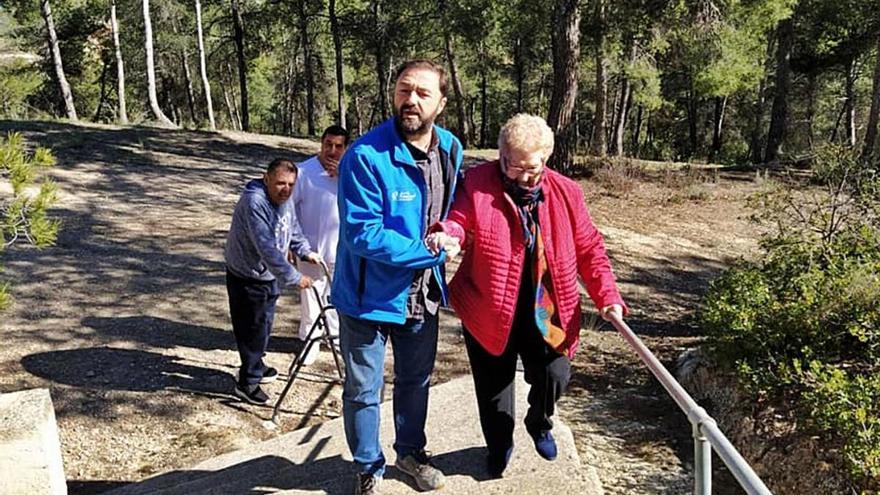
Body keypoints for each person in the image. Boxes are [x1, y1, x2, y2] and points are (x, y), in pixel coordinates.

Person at [426, 114, 627, 478]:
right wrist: (449, 234)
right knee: (494, 391)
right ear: (501, 154)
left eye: (530, 168)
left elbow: (590, 249)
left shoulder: (568, 192)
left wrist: (607, 296)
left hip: (548, 308)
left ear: (546, 159)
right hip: (490, 306)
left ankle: (541, 422)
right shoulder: (477, 182)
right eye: (511, 164)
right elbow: (460, 219)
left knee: (555, 375)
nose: (520, 175)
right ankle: (499, 446)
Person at [332, 59, 463, 495]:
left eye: (423, 93)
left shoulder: (450, 149)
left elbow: (454, 211)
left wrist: (453, 234)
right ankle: (368, 467)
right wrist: (428, 253)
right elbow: (362, 234)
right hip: (368, 298)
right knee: (364, 389)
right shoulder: (364, 156)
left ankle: (410, 451)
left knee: (415, 381)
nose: (411, 100)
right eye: (404, 90)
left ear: (440, 103)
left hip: (421, 296)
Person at [225, 158, 322, 405]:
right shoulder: (254, 202)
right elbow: (266, 247)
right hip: (247, 275)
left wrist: (304, 250)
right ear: (266, 179)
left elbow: (292, 227)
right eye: (280, 183)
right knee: (252, 329)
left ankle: (256, 364)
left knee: (264, 324)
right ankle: (247, 382)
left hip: (267, 276)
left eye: (290, 184)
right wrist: (294, 276)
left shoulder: (283, 198)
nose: (286, 189)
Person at [292, 125, 350, 365]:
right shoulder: (304, 172)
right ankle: (310, 341)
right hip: (310, 250)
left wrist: (344, 177)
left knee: (336, 298)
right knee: (310, 298)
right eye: (328, 145)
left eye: (338, 146)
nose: (332, 151)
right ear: (321, 144)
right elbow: (289, 210)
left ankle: (335, 339)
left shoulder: (351, 173)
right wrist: (292, 245)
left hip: (342, 250)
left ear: (346, 148)